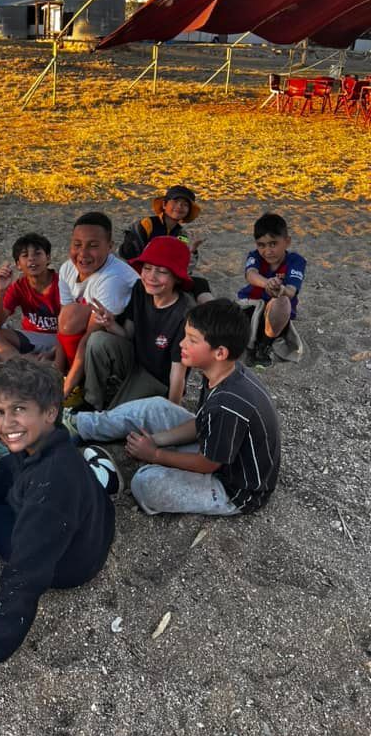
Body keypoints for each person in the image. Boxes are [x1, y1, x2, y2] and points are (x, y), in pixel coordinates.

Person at [0, 358, 116, 665]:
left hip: (69, 564)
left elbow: (25, 574)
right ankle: (102, 471)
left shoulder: (51, 489)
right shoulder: (49, 445)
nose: (7, 423)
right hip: (94, 524)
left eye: (19, 409)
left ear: (50, 413)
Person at [65, 300, 281, 517]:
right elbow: (201, 422)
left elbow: (208, 464)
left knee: (146, 484)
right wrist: (158, 439)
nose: (182, 344)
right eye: (185, 335)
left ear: (220, 353)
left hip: (233, 488)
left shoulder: (227, 404)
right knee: (156, 407)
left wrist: (155, 454)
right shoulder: (222, 373)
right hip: (216, 449)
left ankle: (116, 475)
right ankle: (78, 425)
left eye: (192, 340)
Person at [82, 237, 194, 410]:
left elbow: (178, 373)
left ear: (177, 278)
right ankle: (91, 401)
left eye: (162, 271)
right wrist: (110, 324)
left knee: (117, 416)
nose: (151, 277)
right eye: (147, 268)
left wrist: (172, 412)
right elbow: (128, 334)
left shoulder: (184, 313)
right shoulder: (140, 289)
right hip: (134, 362)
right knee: (98, 340)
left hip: (157, 380)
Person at [56, 212, 138, 406]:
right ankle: (69, 379)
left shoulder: (114, 279)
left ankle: (88, 396)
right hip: (93, 343)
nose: (83, 253)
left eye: (93, 245)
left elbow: (88, 341)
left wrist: (63, 392)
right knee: (68, 319)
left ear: (109, 247)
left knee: (92, 336)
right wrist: (57, 373)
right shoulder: (67, 269)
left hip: (127, 350)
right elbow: (62, 325)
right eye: (77, 244)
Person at [119, 184, 212, 302]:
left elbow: (185, 269)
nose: (179, 206)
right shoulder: (147, 224)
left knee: (201, 283)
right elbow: (130, 255)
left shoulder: (182, 235)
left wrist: (192, 249)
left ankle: (214, 314)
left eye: (185, 204)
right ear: (164, 205)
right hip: (141, 275)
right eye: (176, 202)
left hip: (166, 278)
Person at [237, 213, 306, 367]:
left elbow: (291, 290)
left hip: (275, 317)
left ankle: (263, 347)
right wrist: (267, 283)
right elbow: (251, 274)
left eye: (273, 244)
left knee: (282, 302)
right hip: (251, 307)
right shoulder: (255, 256)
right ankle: (247, 345)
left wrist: (280, 290)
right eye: (261, 245)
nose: (267, 250)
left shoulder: (295, 261)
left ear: (287, 241)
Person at [0, 232, 61, 363]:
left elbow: (74, 325)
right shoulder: (19, 286)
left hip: (60, 339)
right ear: (18, 264)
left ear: (48, 258)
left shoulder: (62, 283)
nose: (32, 259)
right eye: (25, 256)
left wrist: (56, 350)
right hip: (32, 339)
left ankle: (26, 363)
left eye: (38, 254)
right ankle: (29, 362)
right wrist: (0, 290)